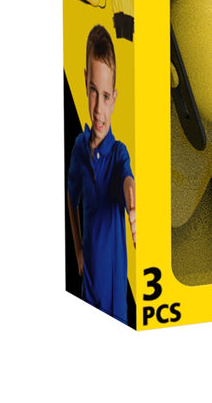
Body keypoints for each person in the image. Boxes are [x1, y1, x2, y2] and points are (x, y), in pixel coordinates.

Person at [67, 25, 136, 323]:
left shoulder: (119, 152)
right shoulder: (79, 149)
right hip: (88, 285)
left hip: (114, 291)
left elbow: (127, 178)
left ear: (114, 99)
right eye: (94, 91)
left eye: (106, 96)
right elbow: (71, 198)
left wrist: (132, 202)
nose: (98, 109)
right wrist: (78, 249)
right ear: (85, 82)